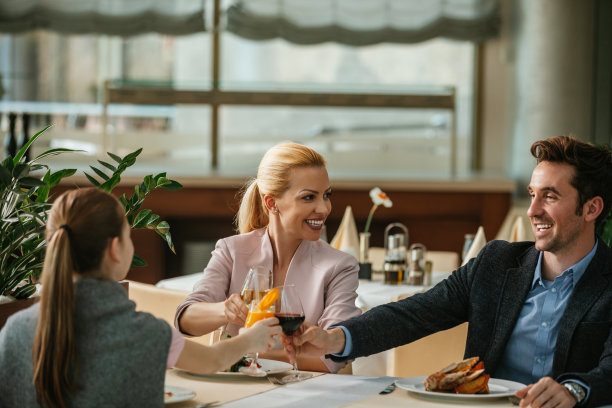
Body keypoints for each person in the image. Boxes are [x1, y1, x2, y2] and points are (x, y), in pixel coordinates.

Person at [289, 135, 612, 408]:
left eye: (550, 196)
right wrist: (336, 338)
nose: (532, 210)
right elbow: (414, 313)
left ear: (591, 208)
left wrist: (573, 391)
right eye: (532, 195)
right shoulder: (497, 264)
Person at [0, 188, 280, 408]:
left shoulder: (14, 331)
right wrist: (251, 338)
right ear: (114, 249)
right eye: (127, 236)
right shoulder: (147, 334)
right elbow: (211, 360)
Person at [174, 142, 361, 373]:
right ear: (272, 203)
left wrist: (239, 353)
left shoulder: (340, 266)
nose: (323, 208)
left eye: (326, 195)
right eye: (309, 197)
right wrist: (225, 310)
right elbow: (185, 320)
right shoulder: (231, 251)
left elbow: (332, 356)